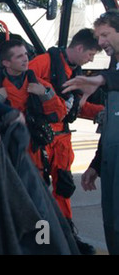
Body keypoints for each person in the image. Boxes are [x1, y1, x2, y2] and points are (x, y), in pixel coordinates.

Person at [28, 28, 103, 255]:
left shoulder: (73, 72)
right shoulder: (43, 63)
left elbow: (75, 107)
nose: (91, 59)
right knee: (37, 190)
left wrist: (102, 112)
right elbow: (24, 86)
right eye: (90, 54)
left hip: (61, 139)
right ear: (79, 48)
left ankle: (67, 235)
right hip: (40, 138)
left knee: (64, 187)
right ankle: (40, 240)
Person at [63, 10, 119, 254]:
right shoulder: (113, 65)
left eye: (105, 34)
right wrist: (96, 164)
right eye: (98, 37)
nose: (100, 42)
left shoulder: (110, 75)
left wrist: (102, 80)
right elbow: (110, 124)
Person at [0, 40, 66, 177]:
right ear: (6, 63)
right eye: (19, 56)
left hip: (33, 151)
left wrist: (44, 94)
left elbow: (58, 114)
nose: (25, 59)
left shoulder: (40, 85)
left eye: (25, 54)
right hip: (4, 149)